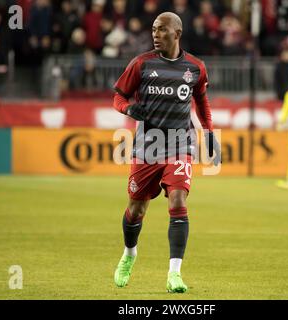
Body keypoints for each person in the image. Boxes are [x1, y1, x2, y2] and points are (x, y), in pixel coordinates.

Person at [112, 12, 220, 293]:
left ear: (177, 33)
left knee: (177, 200)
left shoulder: (195, 68)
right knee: (136, 209)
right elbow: (118, 96)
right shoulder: (141, 64)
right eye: (153, 30)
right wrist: (128, 109)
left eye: (161, 30)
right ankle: (129, 254)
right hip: (147, 147)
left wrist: (209, 134)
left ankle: (174, 273)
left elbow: (202, 103)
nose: (155, 34)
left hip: (179, 145)